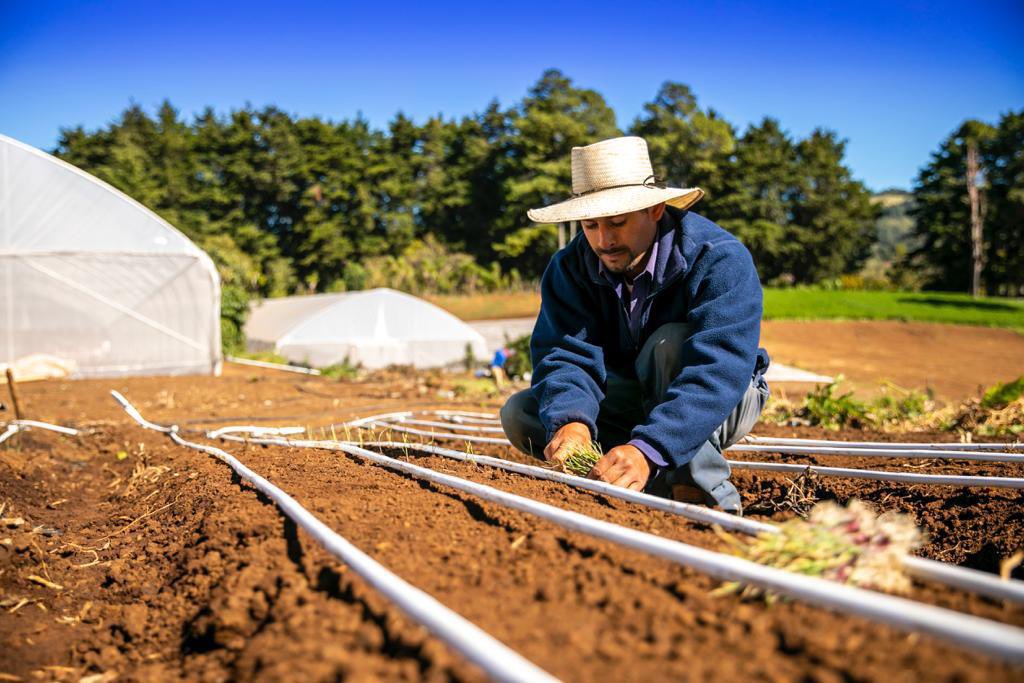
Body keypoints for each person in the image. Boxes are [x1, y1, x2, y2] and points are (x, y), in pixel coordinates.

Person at [500, 136, 770, 513]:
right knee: (521, 413)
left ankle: (703, 499)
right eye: (590, 225)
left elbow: (719, 369)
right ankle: (618, 474)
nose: (603, 240)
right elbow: (565, 354)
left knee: (670, 344)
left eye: (617, 223)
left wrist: (650, 448)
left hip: (722, 397)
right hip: (631, 397)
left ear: (655, 209)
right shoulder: (569, 268)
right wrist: (572, 422)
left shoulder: (718, 259)